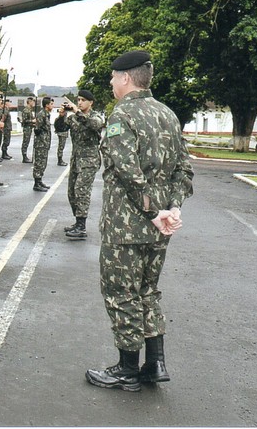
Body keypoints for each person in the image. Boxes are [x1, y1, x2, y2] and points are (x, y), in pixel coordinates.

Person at [85, 50, 193, 392]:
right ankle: (155, 363)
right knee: (148, 290)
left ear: (126, 78)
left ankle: (127, 368)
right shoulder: (168, 115)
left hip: (127, 225)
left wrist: (153, 211)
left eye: (114, 77)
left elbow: (127, 171)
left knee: (121, 292)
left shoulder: (122, 115)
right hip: (161, 226)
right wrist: (171, 208)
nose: (111, 83)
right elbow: (184, 169)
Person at [54, 90, 106, 239]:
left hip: (89, 160)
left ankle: (81, 226)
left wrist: (77, 112)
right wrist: (62, 115)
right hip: (76, 160)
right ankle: (77, 222)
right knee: (72, 192)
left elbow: (93, 125)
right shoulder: (74, 118)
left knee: (81, 190)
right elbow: (60, 128)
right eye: (78, 100)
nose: (80, 103)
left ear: (91, 103)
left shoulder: (95, 117)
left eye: (83, 100)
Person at [32, 96, 54, 191]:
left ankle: (40, 180)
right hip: (41, 143)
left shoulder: (47, 114)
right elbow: (37, 129)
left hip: (45, 143)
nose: (52, 106)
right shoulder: (41, 114)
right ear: (47, 105)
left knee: (43, 163)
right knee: (39, 163)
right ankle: (36, 183)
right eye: (51, 104)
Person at [19, 96, 36, 163]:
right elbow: (25, 120)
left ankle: (25, 156)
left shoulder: (30, 110)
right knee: (25, 142)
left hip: (30, 127)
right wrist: (32, 121)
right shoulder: (26, 110)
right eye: (32, 101)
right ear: (29, 102)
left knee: (27, 142)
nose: (33, 103)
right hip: (27, 128)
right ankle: (24, 156)